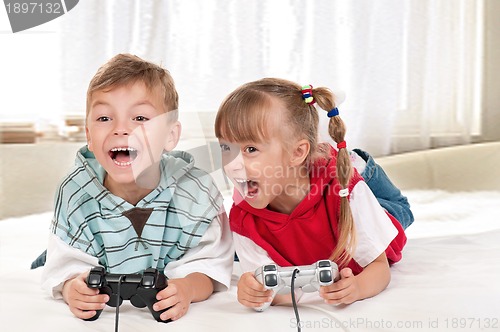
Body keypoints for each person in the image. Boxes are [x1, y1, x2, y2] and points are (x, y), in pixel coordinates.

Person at [40, 54, 233, 322]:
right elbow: (66, 267)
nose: (121, 129)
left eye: (140, 117)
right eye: (104, 118)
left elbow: (211, 265)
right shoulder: (76, 193)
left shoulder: (195, 191)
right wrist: (74, 287)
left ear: (170, 135)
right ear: (89, 137)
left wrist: (187, 288)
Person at [214, 78, 412, 308]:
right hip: (304, 183)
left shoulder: (348, 192)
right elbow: (272, 289)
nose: (232, 164)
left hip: (354, 190)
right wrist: (255, 293)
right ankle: (316, 142)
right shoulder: (243, 219)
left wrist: (357, 288)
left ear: (297, 152)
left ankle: (352, 160)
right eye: (226, 148)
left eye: (250, 149)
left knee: (397, 215)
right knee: (232, 251)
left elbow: (379, 268)